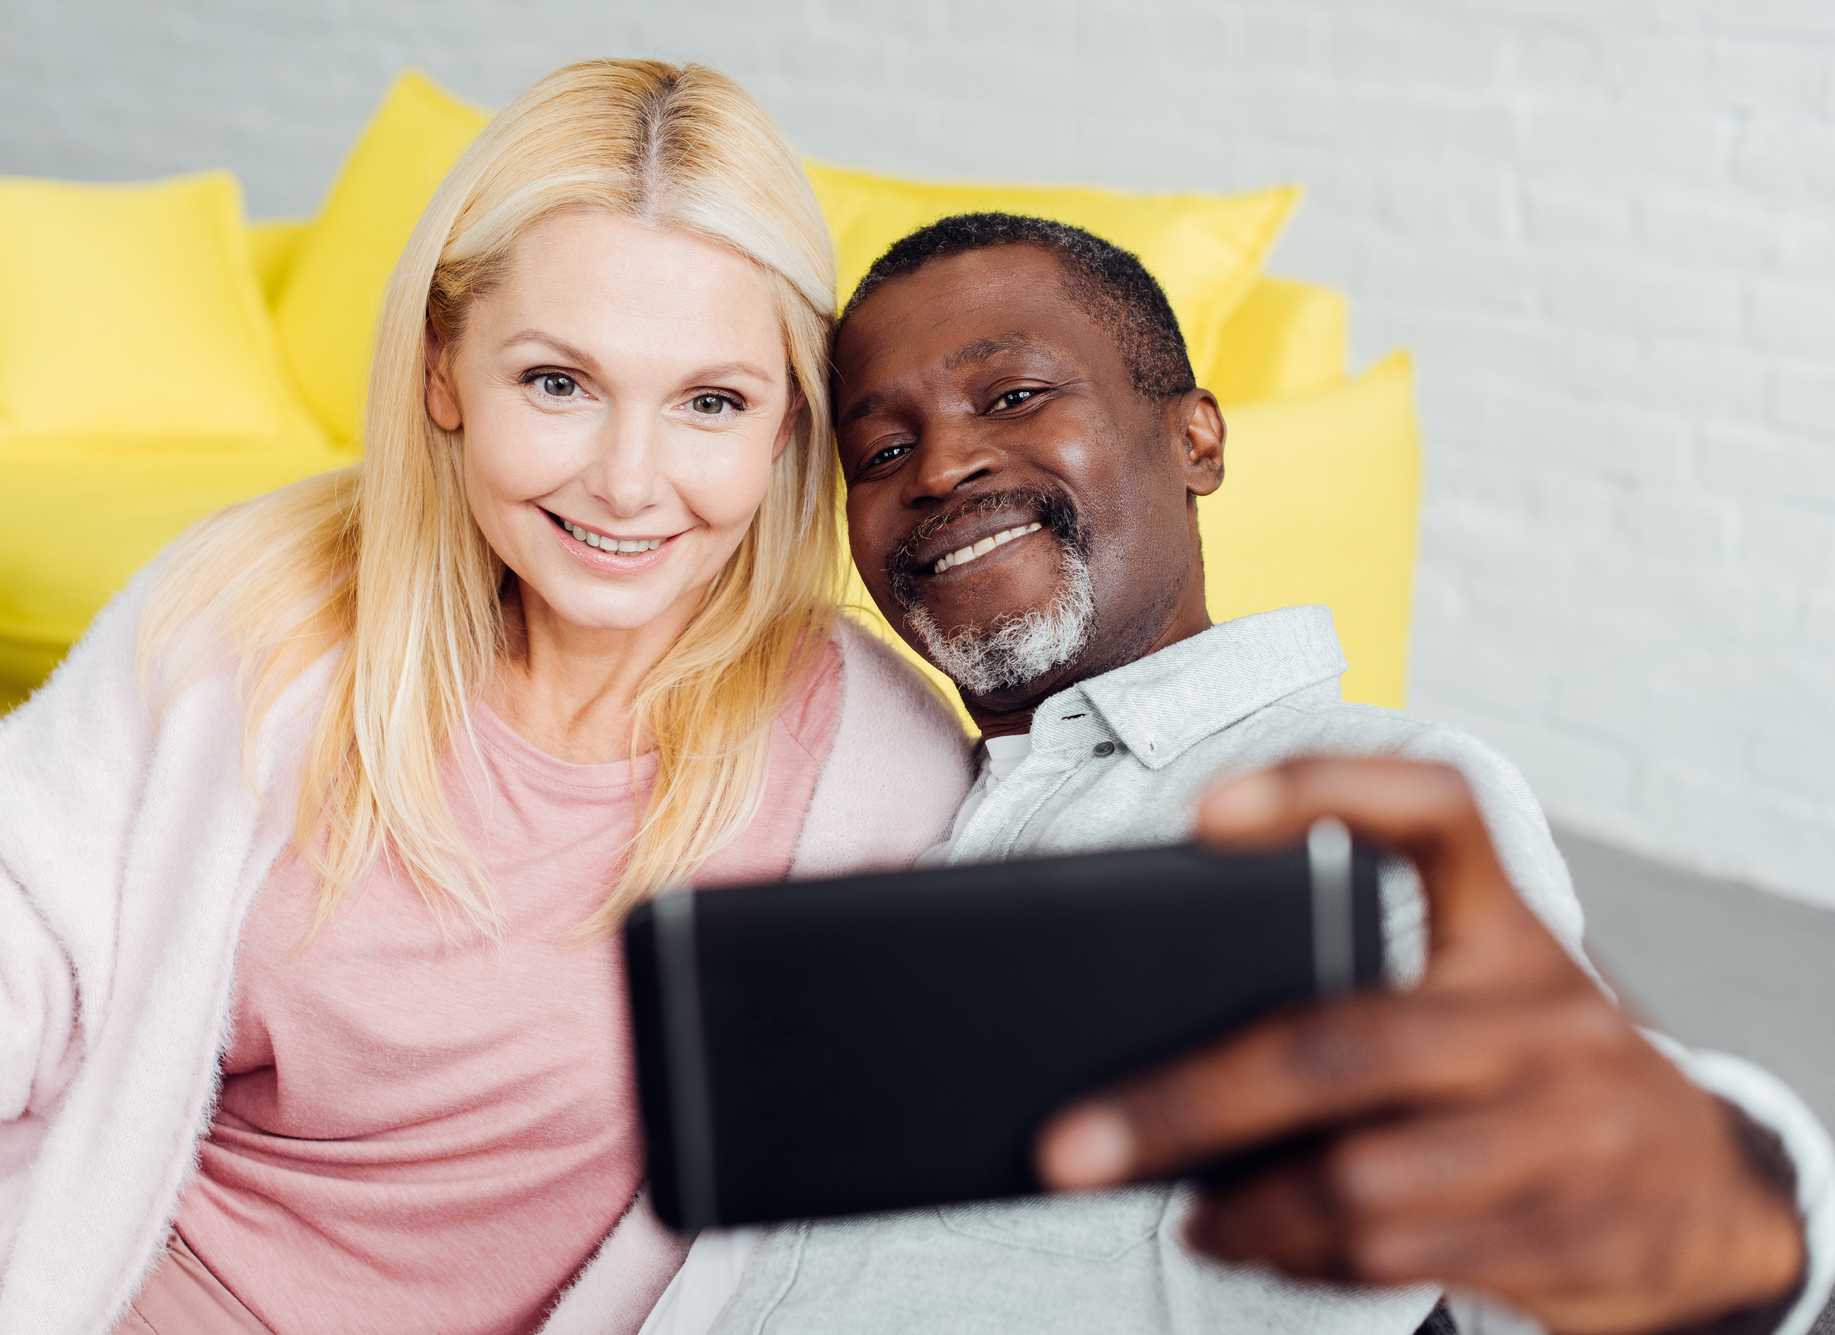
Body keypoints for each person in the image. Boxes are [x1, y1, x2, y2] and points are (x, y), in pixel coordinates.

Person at [0, 62, 974, 1335]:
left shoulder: (878, 777)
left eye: (710, 403)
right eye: (559, 384)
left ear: (782, 429)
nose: (627, 482)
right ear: (444, 369)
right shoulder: (252, 616)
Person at [646, 214, 1831, 1335]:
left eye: (1011, 396)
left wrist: (1711, 1230)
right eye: (881, 449)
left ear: (1195, 439)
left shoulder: (1367, 796)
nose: (941, 466)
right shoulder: (853, 778)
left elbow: (1552, 1209)